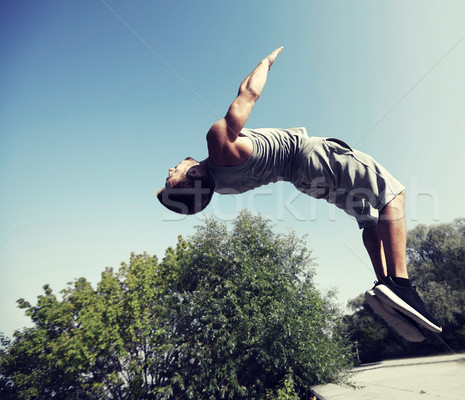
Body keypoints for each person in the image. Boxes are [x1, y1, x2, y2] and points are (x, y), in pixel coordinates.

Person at [156, 47, 442, 340]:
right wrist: (265, 63)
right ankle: (401, 285)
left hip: (304, 182)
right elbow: (249, 94)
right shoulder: (218, 143)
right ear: (191, 175)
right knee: (392, 195)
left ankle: (384, 284)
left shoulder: (226, 187)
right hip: (309, 157)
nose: (170, 169)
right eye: (172, 176)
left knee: (368, 218)